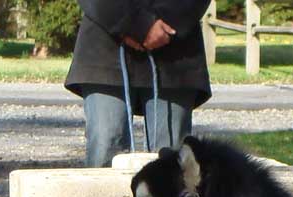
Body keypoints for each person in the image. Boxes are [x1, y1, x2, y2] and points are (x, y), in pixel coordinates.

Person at [65, 1, 212, 167]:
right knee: (105, 150)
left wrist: (166, 21)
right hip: (105, 50)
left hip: (175, 56)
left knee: (171, 164)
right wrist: (137, 24)